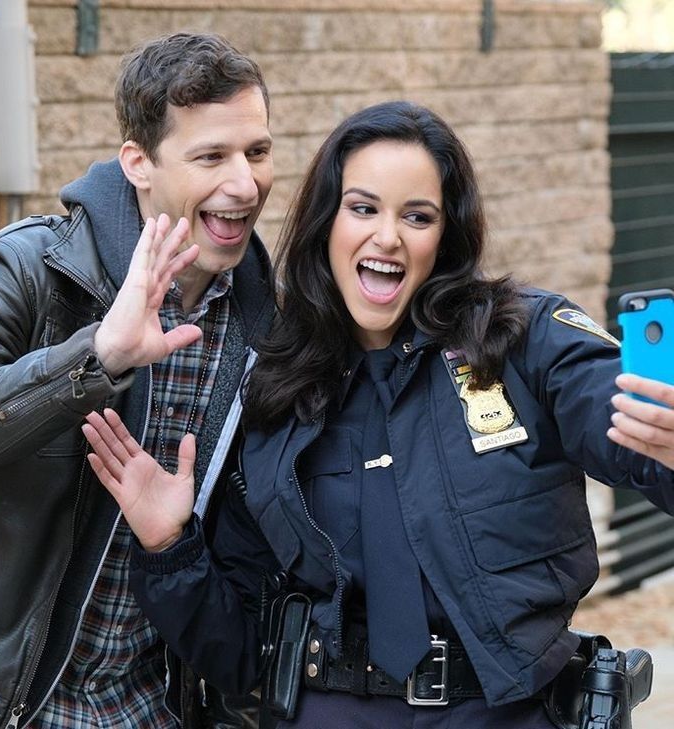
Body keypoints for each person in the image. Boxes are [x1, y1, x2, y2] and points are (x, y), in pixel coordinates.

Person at [81, 101, 674, 729]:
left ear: (445, 236)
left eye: (416, 216)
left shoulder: (522, 338)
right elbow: (238, 657)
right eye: (363, 208)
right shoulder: (275, 390)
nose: (387, 237)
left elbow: (618, 415)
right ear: (326, 224)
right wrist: (168, 547)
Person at [0, 32, 275, 729]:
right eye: (211, 155)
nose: (245, 183)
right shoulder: (33, 269)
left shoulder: (269, 327)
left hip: (153, 709)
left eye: (258, 152)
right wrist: (100, 356)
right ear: (139, 164)